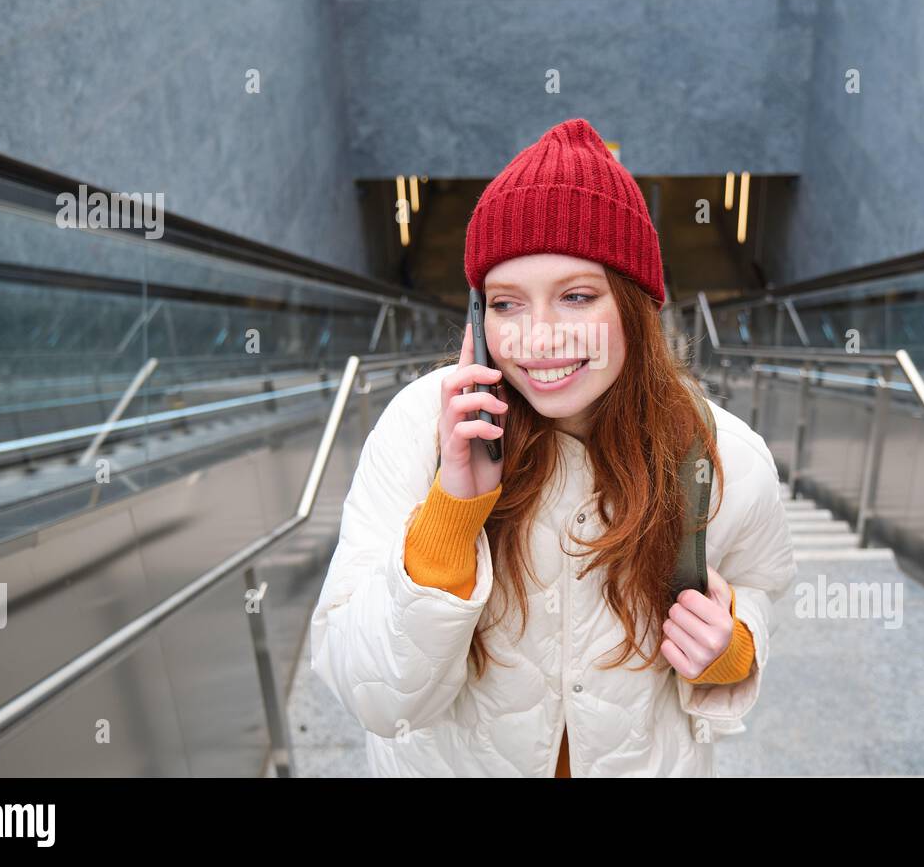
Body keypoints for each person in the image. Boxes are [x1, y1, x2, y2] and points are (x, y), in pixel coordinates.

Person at [309, 118, 796, 776]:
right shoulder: (419, 430)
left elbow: (760, 586)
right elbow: (376, 694)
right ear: (479, 320)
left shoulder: (721, 454)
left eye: (575, 296)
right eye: (508, 305)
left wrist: (732, 649)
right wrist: (452, 509)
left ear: (637, 307)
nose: (538, 338)